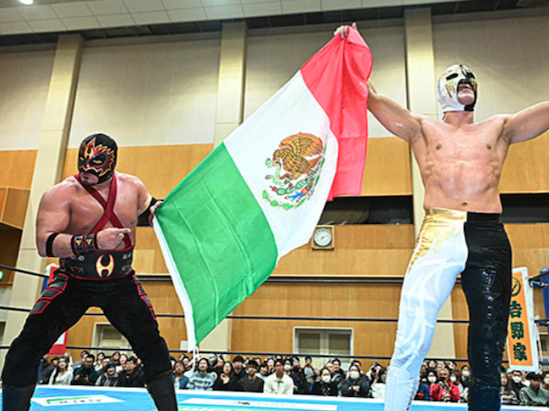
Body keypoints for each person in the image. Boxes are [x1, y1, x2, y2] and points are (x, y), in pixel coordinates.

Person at [335, 23, 549, 411]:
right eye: (457, 77)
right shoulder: (422, 129)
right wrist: (348, 49)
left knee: (488, 345)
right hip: (439, 232)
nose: (466, 80)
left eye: (470, 78)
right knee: (411, 339)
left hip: (488, 235)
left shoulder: (499, 128)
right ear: (443, 90)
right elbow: (370, 97)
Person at [1, 133, 177, 411]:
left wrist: (159, 211)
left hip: (120, 283)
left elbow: (144, 212)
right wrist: (93, 241)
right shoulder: (60, 194)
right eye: (83, 160)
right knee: (25, 348)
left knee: (154, 347)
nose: (87, 168)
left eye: (96, 162)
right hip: (74, 282)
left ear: (111, 161)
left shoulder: (133, 186)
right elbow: (44, 244)